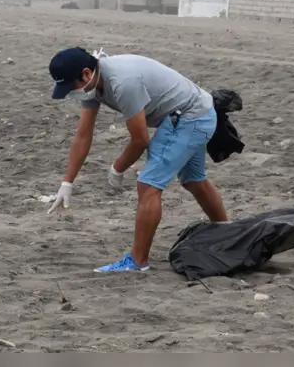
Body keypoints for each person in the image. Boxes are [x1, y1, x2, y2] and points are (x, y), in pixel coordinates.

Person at [46, 47, 228, 273]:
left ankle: (137, 261)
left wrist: (117, 168)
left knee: (148, 184)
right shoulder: (93, 84)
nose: (71, 94)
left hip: (190, 116)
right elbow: (83, 134)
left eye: (69, 88)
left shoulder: (123, 83)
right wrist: (67, 183)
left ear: (85, 74)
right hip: (195, 111)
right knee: (193, 180)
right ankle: (228, 233)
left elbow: (140, 139)